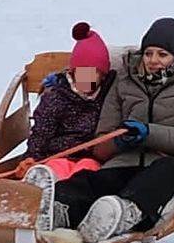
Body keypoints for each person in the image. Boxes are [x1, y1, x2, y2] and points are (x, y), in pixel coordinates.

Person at [37, 17, 174, 243]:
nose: (153, 60)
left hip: (169, 162)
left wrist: (149, 133)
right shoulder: (126, 83)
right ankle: (59, 206)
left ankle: (125, 212)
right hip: (124, 161)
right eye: (148, 53)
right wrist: (117, 142)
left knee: (167, 173)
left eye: (162, 54)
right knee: (93, 179)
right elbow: (101, 140)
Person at [22, 23, 114, 189]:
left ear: (103, 76)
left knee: (87, 170)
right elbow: (42, 131)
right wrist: (32, 157)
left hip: (89, 156)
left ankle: (68, 196)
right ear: (73, 72)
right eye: (82, 73)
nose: (87, 78)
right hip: (57, 155)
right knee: (56, 169)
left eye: (93, 73)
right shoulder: (57, 96)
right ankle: (45, 187)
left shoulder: (107, 95)